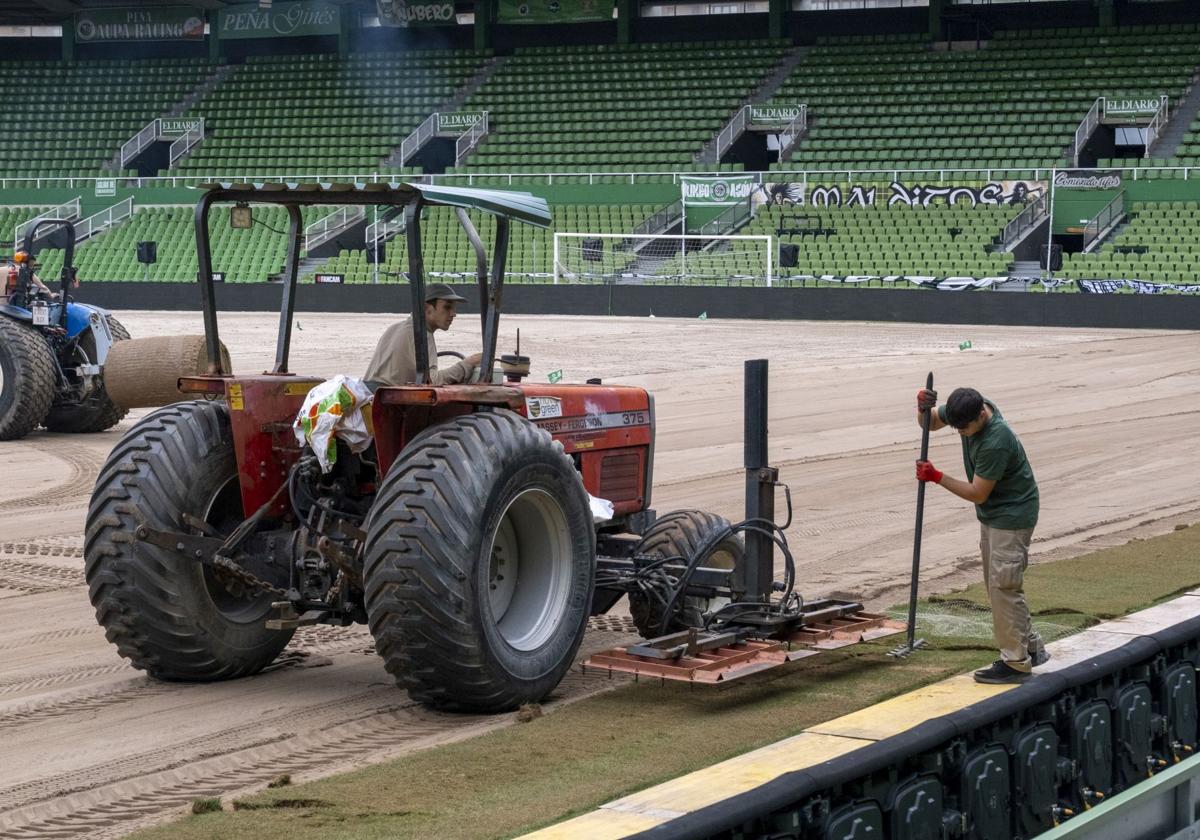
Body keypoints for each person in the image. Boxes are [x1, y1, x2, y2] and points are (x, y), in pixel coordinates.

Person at [915, 386, 1047, 684]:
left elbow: (978, 493)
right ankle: (1031, 646)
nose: (960, 432)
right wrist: (922, 408)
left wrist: (937, 477)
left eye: (965, 428)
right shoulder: (965, 408)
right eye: (956, 427)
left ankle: (1016, 662)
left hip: (1012, 516)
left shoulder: (996, 440)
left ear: (981, 415)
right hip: (995, 515)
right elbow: (930, 422)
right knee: (998, 585)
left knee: (1004, 586)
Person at [364, 283, 483, 389]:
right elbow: (432, 381)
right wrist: (468, 364)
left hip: (369, 396)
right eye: (447, 307)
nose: (453, 314)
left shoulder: (394, 328)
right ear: (427, 309)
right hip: (389, 404)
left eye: (454, 308)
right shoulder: (421, 334)